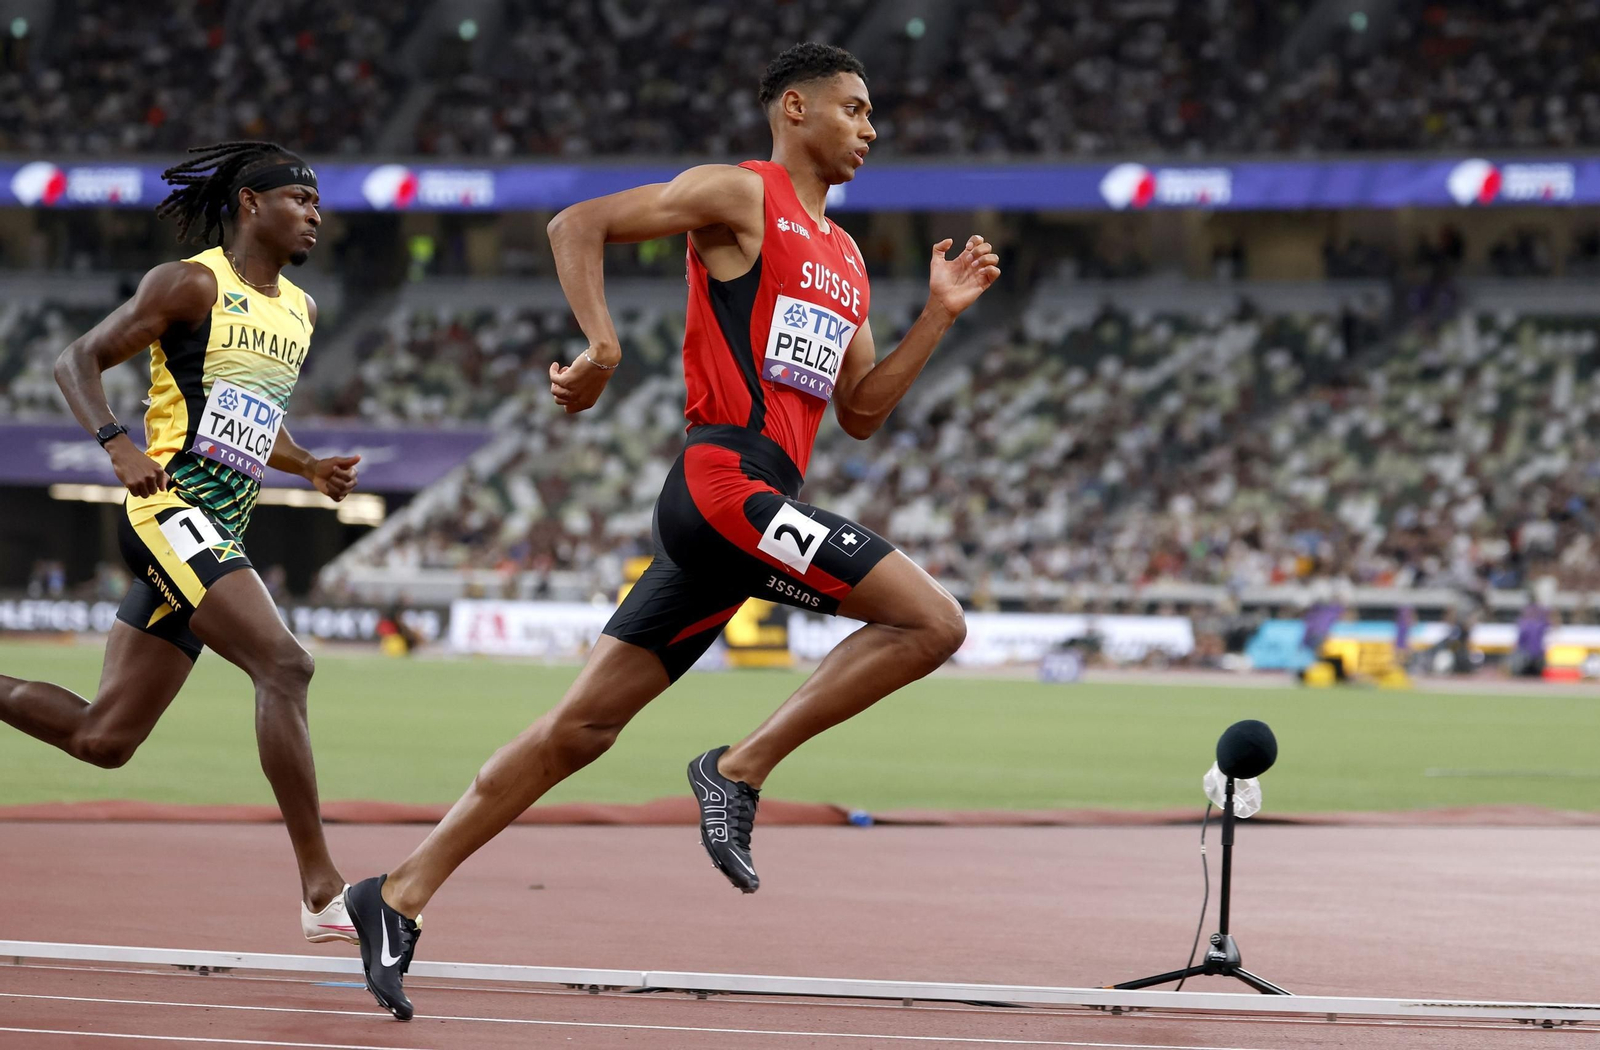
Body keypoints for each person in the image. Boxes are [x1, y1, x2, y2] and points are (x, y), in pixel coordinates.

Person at [342, 42, 1001, 1021]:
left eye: (872, 114)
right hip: (722, 486)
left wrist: (938, 317)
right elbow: (578, 223)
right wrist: (602, 345)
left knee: (579, 730)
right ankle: (737, 769)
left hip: (745, 515)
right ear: (795, 108)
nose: (870, 128)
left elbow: (860, 410)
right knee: (933, 622)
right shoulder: (740, 193)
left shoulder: (848, 258)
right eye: (854, 108)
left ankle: (397, 894)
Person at [0, 141, 364, 945]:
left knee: (103, 739)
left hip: (218, 527)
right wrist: (116, 445)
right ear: (251, 204)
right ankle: (320, 890)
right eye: (300, 200)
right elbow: (76, 359)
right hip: (167, 509)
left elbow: (245, 416)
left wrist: (307, 465)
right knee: (285, 664)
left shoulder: (300, 311)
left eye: (317, 203)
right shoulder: (192, 283)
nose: (315, 215)